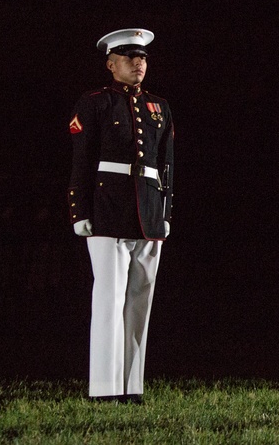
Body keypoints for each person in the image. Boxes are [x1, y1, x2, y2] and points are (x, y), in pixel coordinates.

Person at [68, 28, 174, 403]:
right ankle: (104, 386)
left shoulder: (159, 105)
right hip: (108, 207)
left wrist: (165, 211)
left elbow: (166, 165)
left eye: (142, 57)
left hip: (148, 208)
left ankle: (131, 385)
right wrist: (79, 208)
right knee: (109, 298)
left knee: (140, 299)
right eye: (130, 58)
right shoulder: (95, 102)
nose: (138, 63)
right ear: (111, 64)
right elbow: (82, 160)